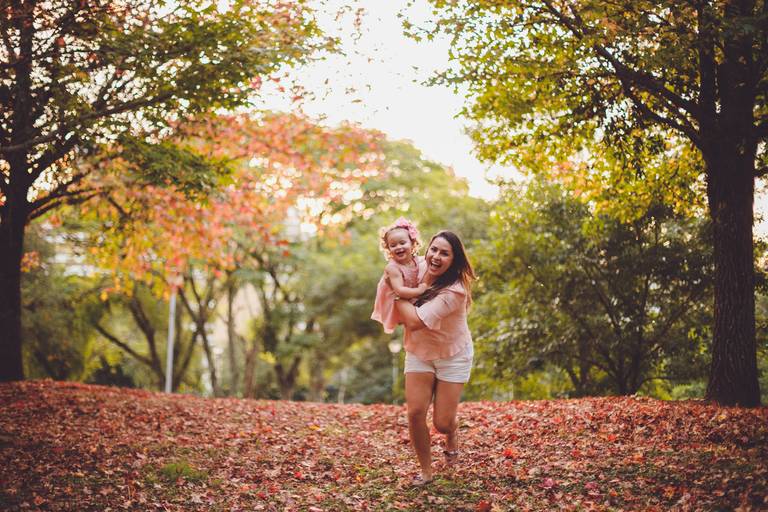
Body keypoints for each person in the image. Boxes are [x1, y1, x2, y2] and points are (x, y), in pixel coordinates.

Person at [393, 230, 475, 485]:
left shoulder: (455, 291)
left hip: (453, 355)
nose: (436, 257)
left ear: (454, 260)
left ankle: (452, 431)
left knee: (441, 423)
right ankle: (426, 472)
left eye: (445, 253)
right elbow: (392, 272)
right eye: (434, 249)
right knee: (416, 412)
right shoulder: (415, 269)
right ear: (426, 249)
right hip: (420, 351)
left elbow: (415, 321)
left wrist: (397, 298)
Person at [371, 217, 428, 333]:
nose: (398, 247)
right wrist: (419, 291)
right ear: (388, 249)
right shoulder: (393, 268)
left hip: (409, 292)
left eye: (402, 243)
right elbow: (400, 291)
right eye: (393, 245)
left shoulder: (417, 260)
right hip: (395, 295)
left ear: (412, 243)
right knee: (406, 317)